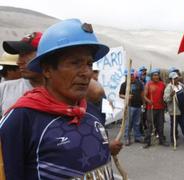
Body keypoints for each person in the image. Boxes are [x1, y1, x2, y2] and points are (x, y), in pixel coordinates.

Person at [0, 19, 122, 179]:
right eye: (75, 63)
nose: (86, 72)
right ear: (48, 70)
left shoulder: (90, 112)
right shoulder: (21, 120)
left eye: (89, 64)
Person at [0, 32, 44, 116]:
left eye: (25, 55)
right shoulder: (4, 89)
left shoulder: (66, 92)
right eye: (20, 55)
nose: (18, 62)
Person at [143, 67, 168, 148]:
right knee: (149, 125)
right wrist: (148, 101)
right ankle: (148, 142)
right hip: (151, 108)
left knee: (160, 125)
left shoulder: (162, 84)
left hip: (160, 108)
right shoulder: (148, 84)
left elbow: (165, 95)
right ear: (151, 76)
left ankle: (161, 140)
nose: (156, 77)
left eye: (157, 75)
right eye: (154, 75)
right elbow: (144, 96)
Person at [164, 72, 184, 145]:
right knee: (174, 127)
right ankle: (173, 140)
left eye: (177, 78)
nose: (177, 79)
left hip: (182, 109)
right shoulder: (168, 87)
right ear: (171, 80)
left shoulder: (181, 85)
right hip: (174, 111)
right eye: (175, 79)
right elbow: (166, 99)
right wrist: (170, 95)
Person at [119, 68, 144, 146]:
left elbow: (142, 94)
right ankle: (127, 137)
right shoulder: (124, 84)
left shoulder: (139, 83)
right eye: (129, 75)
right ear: (126, 76)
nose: (131, 76)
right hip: (129, 106)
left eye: (132, 75)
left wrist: (143, 103)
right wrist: (126, 96)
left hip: (138, 106)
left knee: (137, 123)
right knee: (128, 123)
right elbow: (120, 95)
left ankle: (137, 137)